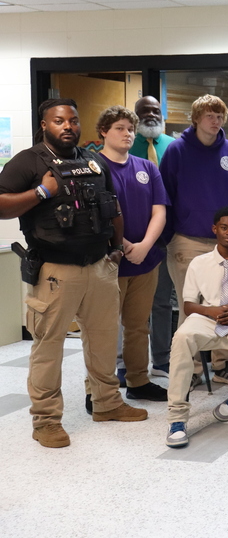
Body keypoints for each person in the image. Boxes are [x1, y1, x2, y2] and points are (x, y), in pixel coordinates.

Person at [0, 99, 147, 448]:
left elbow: (113, 207)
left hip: (99, 266)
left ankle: (107, 403)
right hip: (55, 270)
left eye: (73, 120)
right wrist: (41, 192)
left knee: (102, 342)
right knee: (48, 347)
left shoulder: (94, 161)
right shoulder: (27, 162)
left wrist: (116, 248)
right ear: (44, 125)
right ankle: (46, 420)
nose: (67, 126)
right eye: (58, 121)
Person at [160, 94, 228, 386]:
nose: (216, 122)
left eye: (220, 117)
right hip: (187, 238)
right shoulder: (176, 151)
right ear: (197, 119)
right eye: (210, 116)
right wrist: (169, 236)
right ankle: (190, 370)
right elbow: (165, 197)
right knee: (192, 304)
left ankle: (223, 364)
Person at [85, 106, 169, 410]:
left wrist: (145, 245)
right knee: (103, 329)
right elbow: (91, 214)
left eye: (130, 129)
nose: (127, 133)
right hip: (107, 261)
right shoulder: (92, 168)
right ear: (104, 132)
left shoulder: (147, 167)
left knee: (137, 326)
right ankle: (96, 388)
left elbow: (159, 210)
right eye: (119, 128)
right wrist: (122, 243)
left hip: (145, 261)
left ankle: (138, 380)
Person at [165, 207, 228, 448]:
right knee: (182, 337)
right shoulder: (199, 263)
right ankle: (177, 418)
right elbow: (189, 305)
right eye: (224, 228)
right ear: (215, 230)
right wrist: (210, 311)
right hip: (206, 317)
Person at [130, 95, 176, 377]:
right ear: (135, 117)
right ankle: (127, 364)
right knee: (128, 306)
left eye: (156, 110)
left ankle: (161, 359)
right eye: (144, 111)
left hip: (165, 237)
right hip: (131, 238)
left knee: (162, 301)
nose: (151, 115)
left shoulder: (173, 147)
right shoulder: (124, 144)